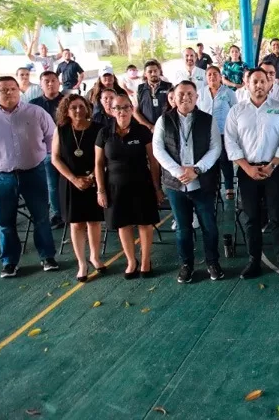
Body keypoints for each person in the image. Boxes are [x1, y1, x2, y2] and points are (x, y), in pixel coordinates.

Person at [225, 68, 279, 279]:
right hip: (248, 171)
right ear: (247, 84)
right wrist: (247, 168)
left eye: (262, 81)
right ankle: (254, 261)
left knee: (277, 216)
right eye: (254, 81)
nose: (258, 85)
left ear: (269, 84)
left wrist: (271, 166)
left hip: (275, 170)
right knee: (251, 218)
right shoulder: (237, 111)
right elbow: (230, 141)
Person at [0, 77, 59, 277]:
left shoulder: (36, 112)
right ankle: (9, 262)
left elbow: (53, 138)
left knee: (41, 217)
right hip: (0, 177)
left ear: (20, 91)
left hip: (33, 173)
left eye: (12, 89)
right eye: (4, 90)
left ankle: (47, 257)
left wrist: (47, 158)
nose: (9, 93)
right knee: (5, 221)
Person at [152, 81, 224, 284]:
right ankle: (187, 265)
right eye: (181, 94)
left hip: (202, 182)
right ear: (173, 97)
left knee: (208, 225)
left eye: (190, 93)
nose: (186, 97)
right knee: (183, 227)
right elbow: (158, 150)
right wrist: (178, 172)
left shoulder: (208, 120)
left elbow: (215, 148)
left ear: (197, 97)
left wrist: (197, 170)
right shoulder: (163, 121)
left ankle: (212, 262)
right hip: (176, 184)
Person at [94, 93, 162, 279]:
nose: (122, 111)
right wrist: (100, 189)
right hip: (115, 187)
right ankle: (131, 260)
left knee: (144, 223)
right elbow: (99, 164)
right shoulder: (104, 133)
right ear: (111, 110)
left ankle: (146, 260)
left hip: (142, 184)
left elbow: (153, 161)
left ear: (132, 109)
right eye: (117, 108)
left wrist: (157, 188)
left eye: (125, 107)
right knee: (123, 225)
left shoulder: (142, 131)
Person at [51, 95, 106, 281]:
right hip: (70, 182)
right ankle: (82, 263)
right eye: (73, 107)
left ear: (87, 108)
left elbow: (103, 157)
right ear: (66, 110)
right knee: (76, 223)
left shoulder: (98, 129)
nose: (77, 111)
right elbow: (55, 158)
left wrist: (91, 178)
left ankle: (95, 257)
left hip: (94, 180)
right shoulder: (61, 129)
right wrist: (74, 179)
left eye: (81, 107)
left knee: (94, 221)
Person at [26, 70, 66, 228]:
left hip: (68, 149)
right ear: (41, 84)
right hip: (45, 151)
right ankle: (57, 214)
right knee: (52, 184)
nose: (50, 83)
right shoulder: (34, 104)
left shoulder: (68, 100)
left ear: (59, 82)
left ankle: (72, 211)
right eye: (46, 81)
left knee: (69, 181)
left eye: (53, 80)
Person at [197, 65, 238, 200]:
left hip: (223, 133)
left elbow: (235, 112)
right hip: (205, 133)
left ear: (220, 77)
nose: (212, 77)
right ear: (206, 78)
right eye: (209, 75)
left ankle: (229, 187)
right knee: (210, 161)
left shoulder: (229, 93)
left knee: (225, 160)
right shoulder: (200, 93)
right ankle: (212, 187)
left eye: (215, 74)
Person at [134, 60, 174, 131]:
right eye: (150, 72)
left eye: (155, 71)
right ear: (145, 74)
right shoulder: (139, 89)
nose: (153, 74)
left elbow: (175, 107)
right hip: (146, 130)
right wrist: (149, 126)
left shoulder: (169, 87)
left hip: (167, 128)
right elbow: (135, 111)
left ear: (159, 71)